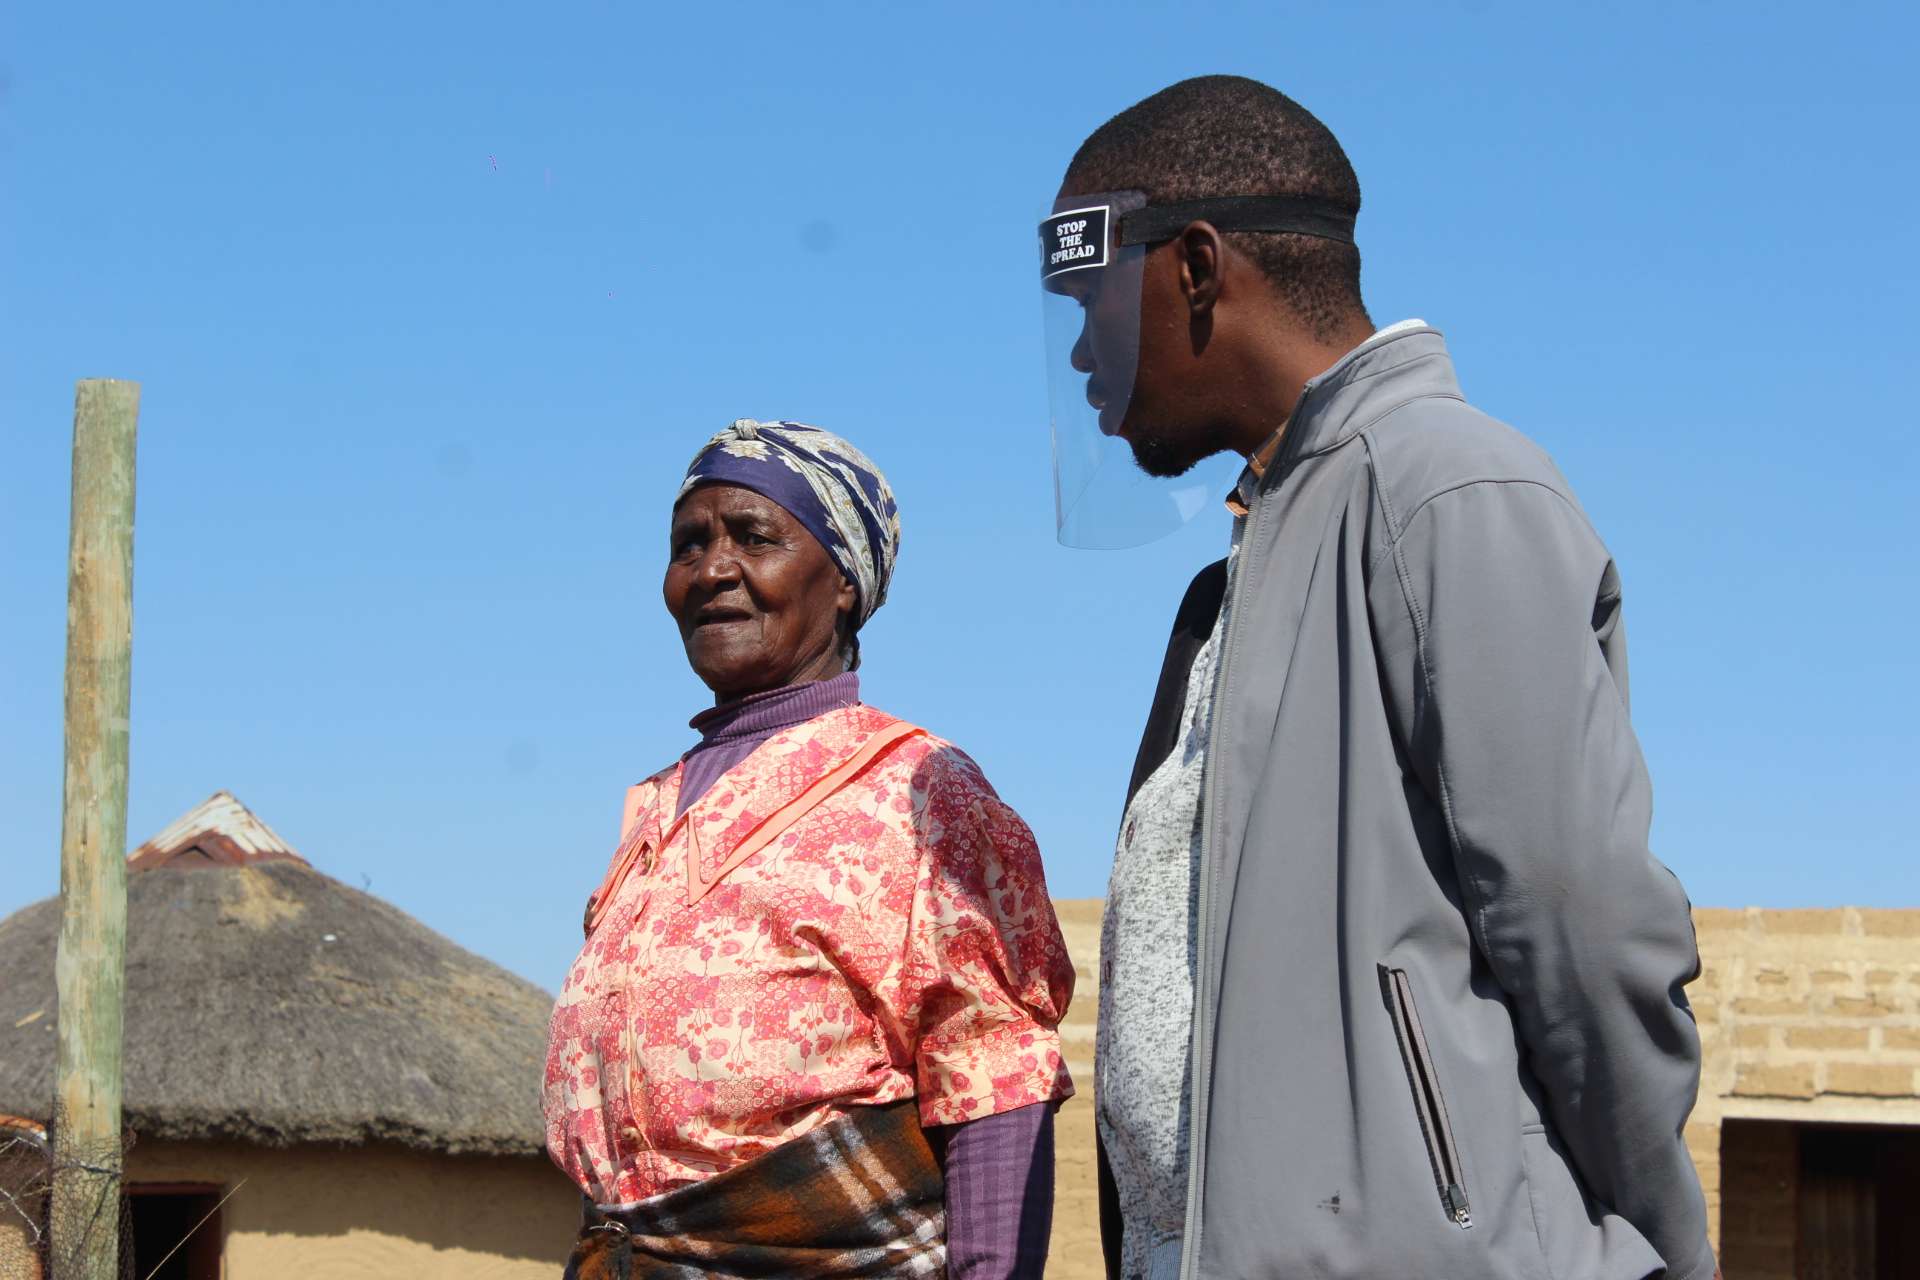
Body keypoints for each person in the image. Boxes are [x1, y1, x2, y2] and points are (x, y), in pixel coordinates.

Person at [1038, 78, 1717, 1280]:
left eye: (1091, 298)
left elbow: (1583, 922)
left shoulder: (1445, 490)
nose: (1084, 349)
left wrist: (1648, 1239)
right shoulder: (1240, 576)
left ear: (1195, 270)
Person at [544, 419, 1073, 1279]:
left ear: (844, 585)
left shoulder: (920, 791)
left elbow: (992, 1080)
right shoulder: (652, 808)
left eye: (755, 537)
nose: (712, 569)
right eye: (689, 545)